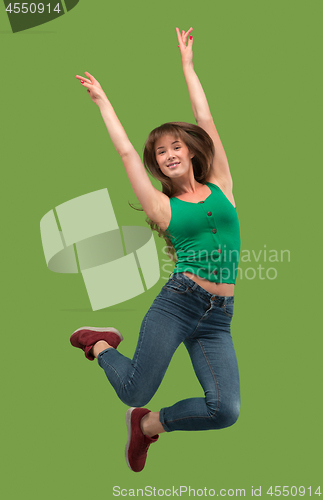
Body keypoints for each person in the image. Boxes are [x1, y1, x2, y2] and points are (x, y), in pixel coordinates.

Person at [71, 27, 241, 473]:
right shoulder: (162, 206)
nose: (168, 154)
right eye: (160, 152)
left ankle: (146, 427)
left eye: (175, 146)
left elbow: (206, 119)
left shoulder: (222, 184)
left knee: (225, 410)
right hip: (180, 304)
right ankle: (101, 345)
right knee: (133, 390)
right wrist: (104, 102)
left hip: (219, 318)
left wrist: (187, 67)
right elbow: (127, 153)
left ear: (190, 151)